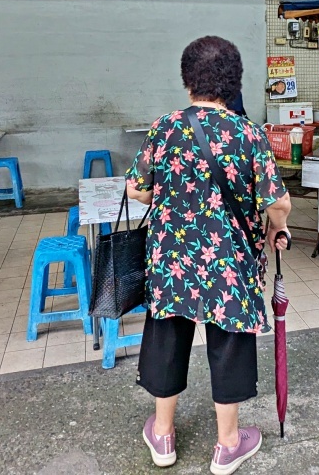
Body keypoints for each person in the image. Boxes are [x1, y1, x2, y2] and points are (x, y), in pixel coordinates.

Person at [126, 36, 292, 474]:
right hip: (229, 261)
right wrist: (278, 227)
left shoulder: (166, 127)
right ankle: (228, 443)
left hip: (172, 259)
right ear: (235, 81)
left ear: (187, 81)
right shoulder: (249, 134)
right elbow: (278, 203)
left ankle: (162, 435)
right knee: (230, 339)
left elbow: (137, 189)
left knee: (167, 334)